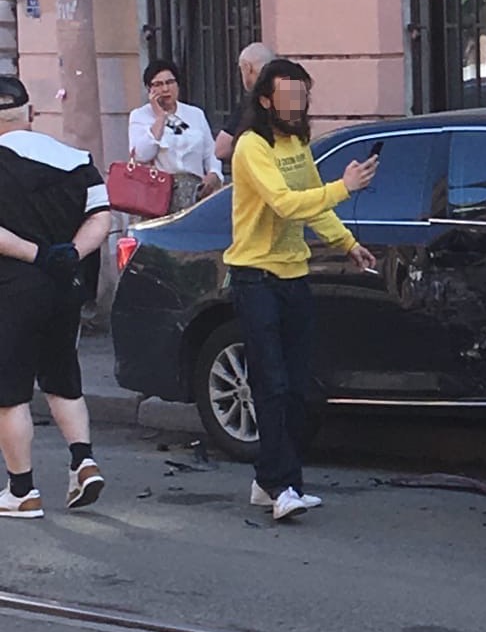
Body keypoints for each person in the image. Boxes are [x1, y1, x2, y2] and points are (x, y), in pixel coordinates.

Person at [226, 58, 377, 522]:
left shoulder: (297, 142)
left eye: (302, 96)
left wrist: (348, 243)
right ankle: (282, 486)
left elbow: (313, 203)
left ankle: (266, 479)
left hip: (293, 276)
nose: (297, 105)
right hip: (255, 277)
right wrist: (344, 187)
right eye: (288, 97)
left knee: (295, 388)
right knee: (270, 384)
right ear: (266, 101)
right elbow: (287, 203)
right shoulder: (252, 147)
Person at [0, 76, 111, 519]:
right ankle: (83, 461)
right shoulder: (75, 159)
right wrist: (70, 255)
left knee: (10, 394)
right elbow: (102, 215)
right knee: (62, 377)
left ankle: (22, 490)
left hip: (13, 288)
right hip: (66, 288)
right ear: (30, 114)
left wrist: (38, 255)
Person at [127, 59, 223, 212]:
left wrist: (214, 174)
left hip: (195, 193)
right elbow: (141, 155)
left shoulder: (195, 114)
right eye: (158, 84)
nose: (165, 89)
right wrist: (160, 118)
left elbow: (211, 152)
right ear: (149, 89)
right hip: (158, 195)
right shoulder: (140, 116)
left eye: (170, 82)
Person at [215, 42, 275, 165]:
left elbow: (221, 150)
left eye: (241, 69)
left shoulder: (252, 102)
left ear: (248, 68)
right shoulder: (286, 96)